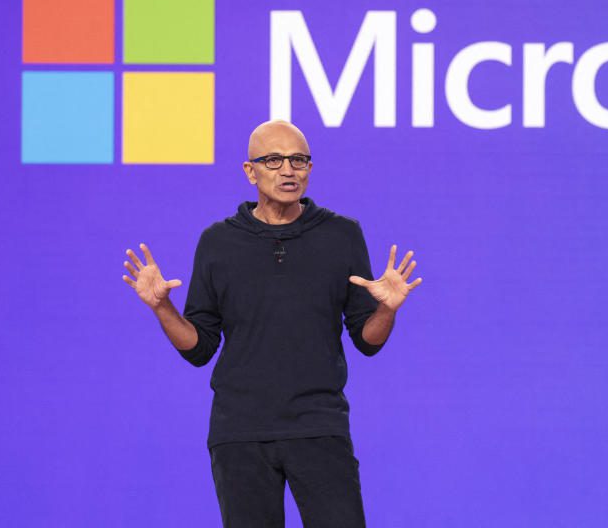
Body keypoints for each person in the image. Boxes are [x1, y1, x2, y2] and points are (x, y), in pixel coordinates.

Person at [121, 120, 422, 527]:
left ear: (310, 169)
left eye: (299, 160)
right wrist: (162, 308)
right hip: (240, 432)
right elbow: (200, 347)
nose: (288, 170)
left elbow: (367, 340)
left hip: (319, 425)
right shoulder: (218, 242)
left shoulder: (342, 235)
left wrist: (387, 309)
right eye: (274, 159)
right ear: (250, 171)